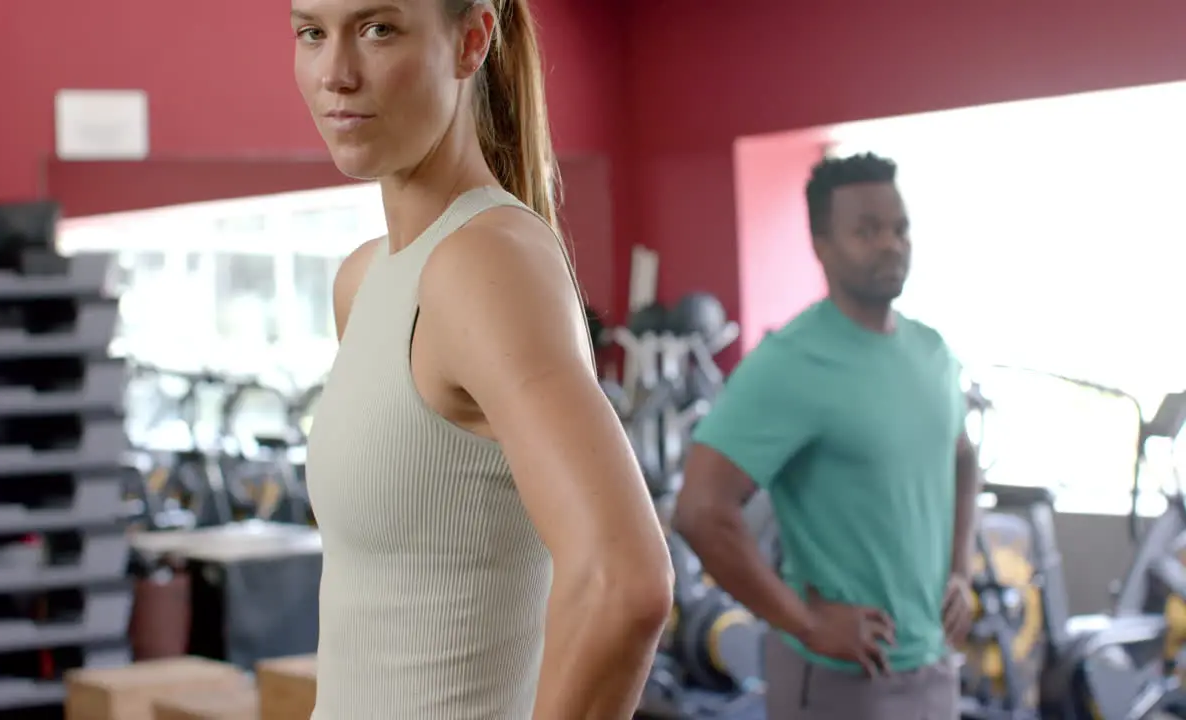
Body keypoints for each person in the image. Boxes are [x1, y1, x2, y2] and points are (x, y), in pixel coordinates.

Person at [289, 0, 674, 718]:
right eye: (312, 32)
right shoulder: (367, 278)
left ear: (471, 43)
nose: (335, 74)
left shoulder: (484, 260)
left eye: (378, 29)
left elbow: (623, 581)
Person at [672, 153, 982, 719]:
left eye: (900, 227)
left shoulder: (933, 352)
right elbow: (699, 509)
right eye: (866, 231)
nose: (891, 243)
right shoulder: (788, 363)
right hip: (841, 679)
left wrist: (960, 570)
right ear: (821, 245)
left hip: (935, 667)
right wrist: (807, 622)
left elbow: (962, 458)